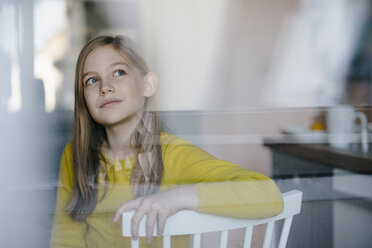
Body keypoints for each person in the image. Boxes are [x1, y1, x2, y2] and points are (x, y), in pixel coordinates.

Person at [50, 35, 284, 248]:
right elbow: (67, 239)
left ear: (147, 85)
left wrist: (179, 197)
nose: (105, 87)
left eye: (119, 72)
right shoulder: (76, 155)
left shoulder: (172, 154)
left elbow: (269, 195)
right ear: (83, 98)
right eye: (91, 80)